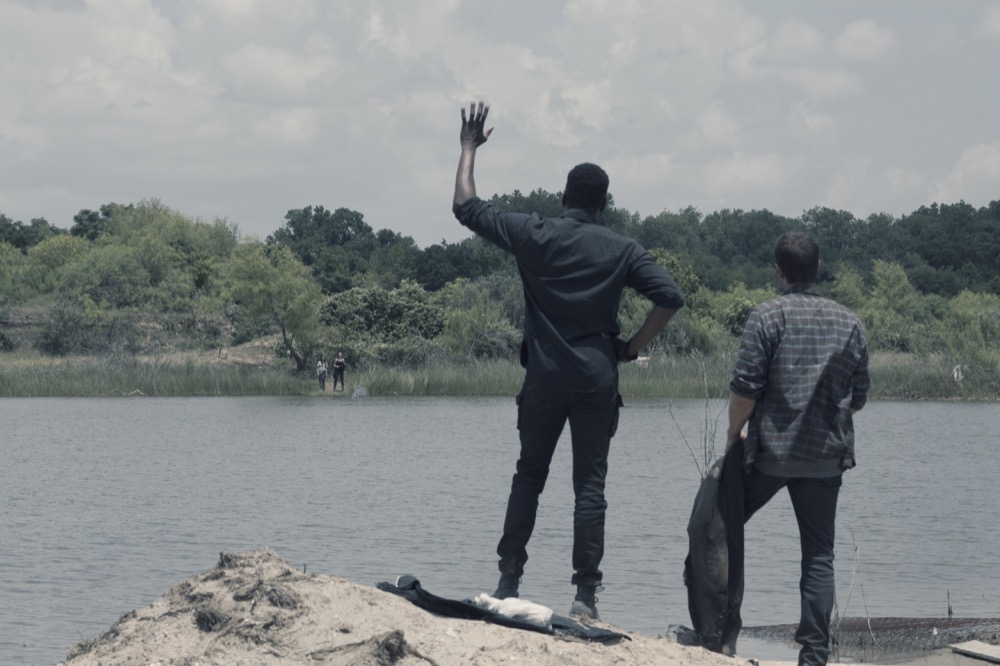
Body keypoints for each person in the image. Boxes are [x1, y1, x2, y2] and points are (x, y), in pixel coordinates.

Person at [452, 101, 685, 620]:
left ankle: (508, 581)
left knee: (528, 475)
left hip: (544, 378)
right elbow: (669, 295)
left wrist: (468, 148)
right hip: (596, 379)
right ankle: (584, 597)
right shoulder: (621, 249)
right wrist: (631, 347)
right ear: (604, 204)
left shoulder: (536, 234)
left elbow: (466, 207)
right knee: (590, 488)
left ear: (563, 198)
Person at [725, 231, 870, 666]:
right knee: (819, 556)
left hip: (769, 452)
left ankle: (721, 630)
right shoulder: (850, 323)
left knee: (723, 528)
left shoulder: (766, 317)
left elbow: (745, 389)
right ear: (818, 269)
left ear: (779, 271)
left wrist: (735, 437)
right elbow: (858, 397)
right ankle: (813, 655)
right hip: (825, 459)